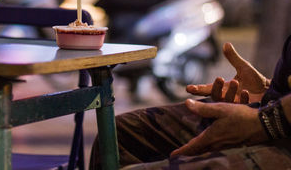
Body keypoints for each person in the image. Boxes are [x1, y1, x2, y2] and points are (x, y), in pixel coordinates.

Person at [89, 35, 291, 169]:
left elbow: (272, 121)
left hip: (281, 131)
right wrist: (269, 90)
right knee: (120, 135)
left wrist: (268, 121)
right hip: (273, 111)